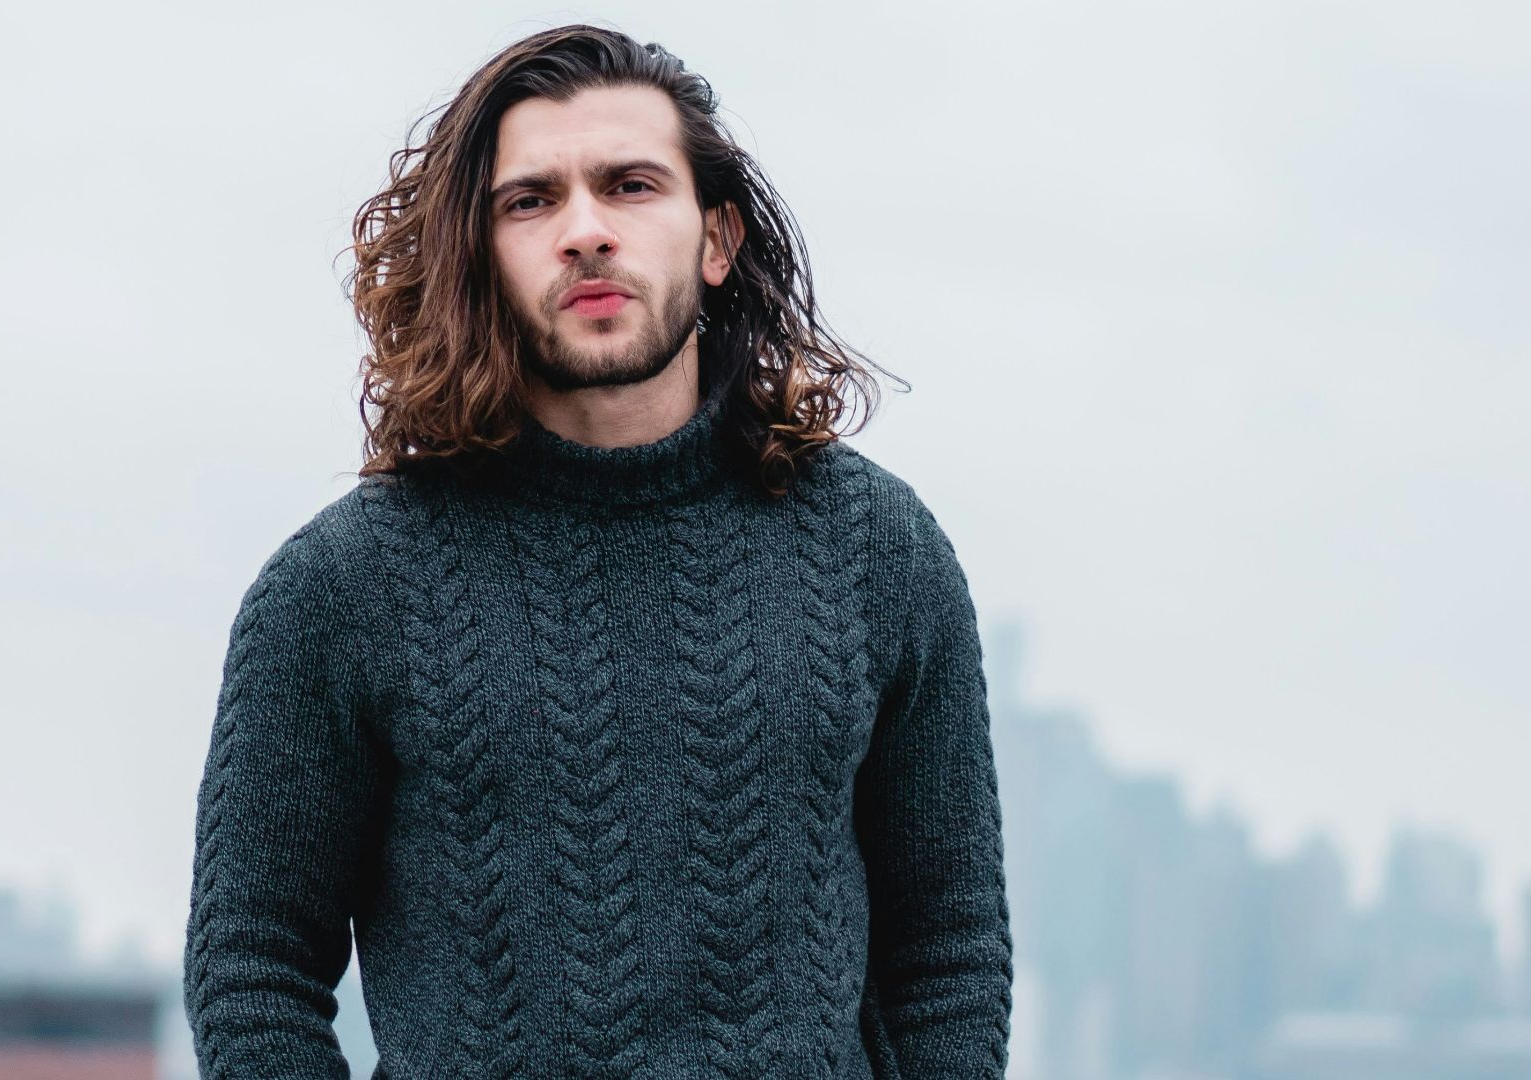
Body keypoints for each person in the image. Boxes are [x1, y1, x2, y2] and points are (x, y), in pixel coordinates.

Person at [182, 23, 1012, 1080]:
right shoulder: (341, 588)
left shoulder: (876, 552)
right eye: (530, 201)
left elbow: (948, 952)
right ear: (480, 255)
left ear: (718, 240)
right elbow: (253, 972)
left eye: (629, 185)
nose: (585, 232)